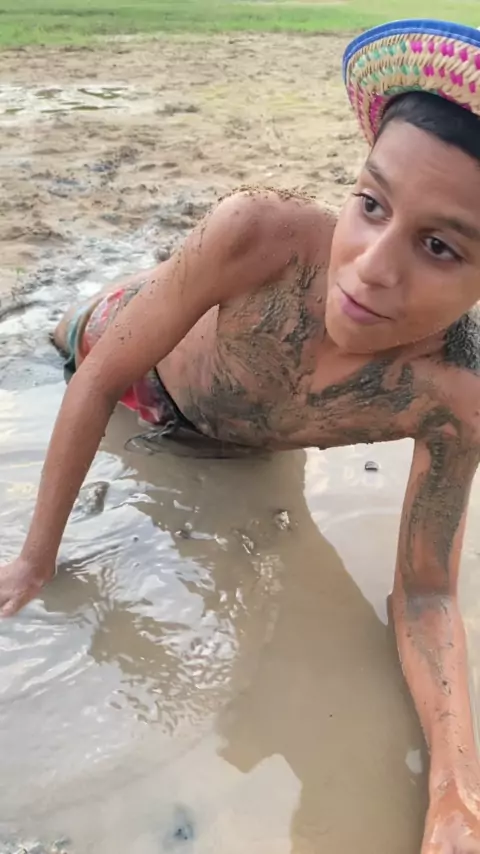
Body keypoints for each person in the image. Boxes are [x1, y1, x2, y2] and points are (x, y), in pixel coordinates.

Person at [1, 15, 480, 852]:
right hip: (124, 355)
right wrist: (34, 562)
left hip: (235, 440)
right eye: (371, 205)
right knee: (50, 346)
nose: (371, 267)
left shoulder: (453, 397)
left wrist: (454, 791)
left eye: (438, 246)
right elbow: (100, 378)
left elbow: (428, 591)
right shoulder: (260, 233)